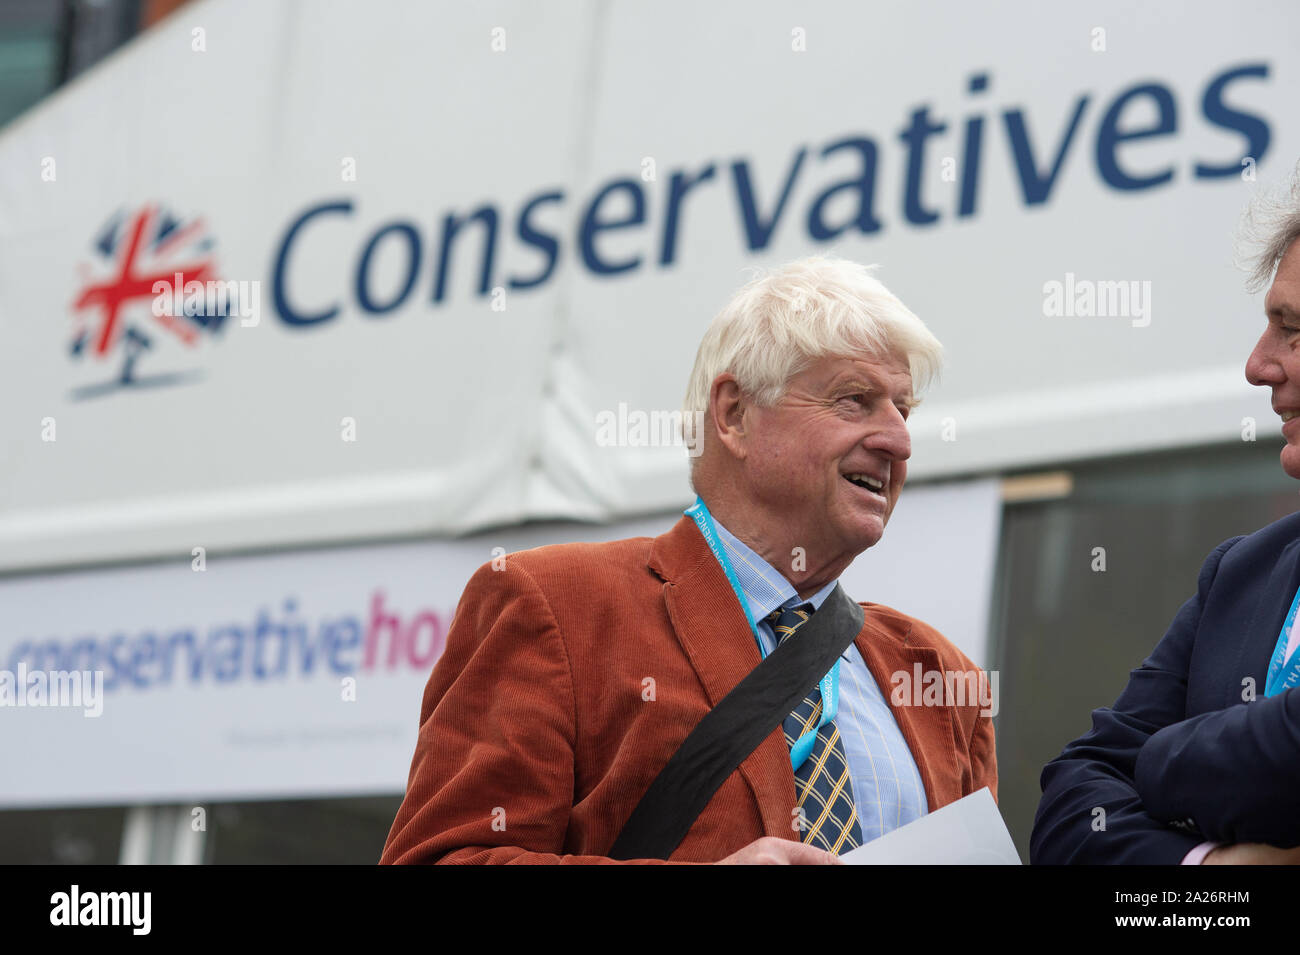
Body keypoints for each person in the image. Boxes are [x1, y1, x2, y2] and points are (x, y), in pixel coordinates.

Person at [380, 255, 997, 865]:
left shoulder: (942, 680)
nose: (899, 440)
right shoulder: (555, 605)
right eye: (853, 401)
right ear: (733, 415)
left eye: (904, 410)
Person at [1032, 168, 1300, 865]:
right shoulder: (1240, 574)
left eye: (1293, 331)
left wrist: (1164, 758)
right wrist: (1211, 877)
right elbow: (1069, 804)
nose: (1258, 366)